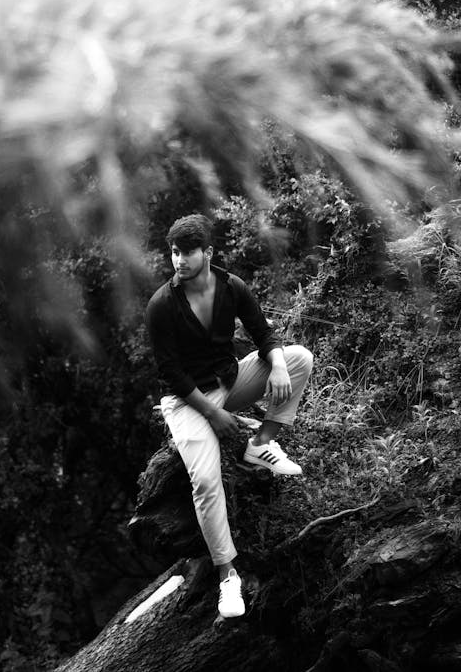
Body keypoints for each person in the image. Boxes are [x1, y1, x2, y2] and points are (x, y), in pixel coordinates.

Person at [146, 214, 313, 618]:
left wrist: (273, 363)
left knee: (299, 359)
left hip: (230, 381)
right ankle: (227, 575)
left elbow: (263, 332)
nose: (179, 260)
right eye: (174, 252)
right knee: (204, 480)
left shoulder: (231, 286)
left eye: (187, 252)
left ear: (208, 253)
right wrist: (214, 415)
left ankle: (261, 443)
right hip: (186, 402)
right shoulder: (162, 306)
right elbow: (170, 373)